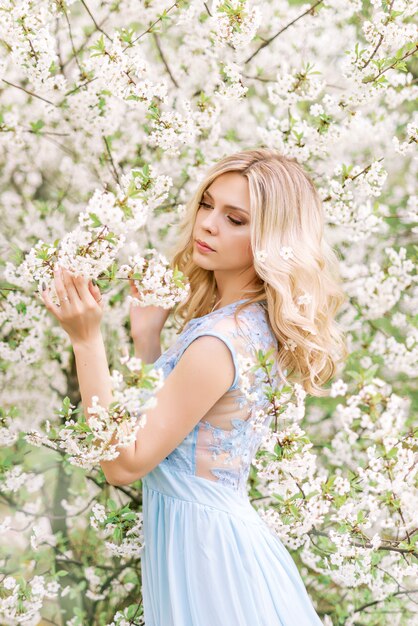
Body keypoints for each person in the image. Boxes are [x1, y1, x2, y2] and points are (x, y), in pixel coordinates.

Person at [41, 148, 347, 625]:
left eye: (236, 218)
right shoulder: (245, 323)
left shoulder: (219, 341)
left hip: (210, 560)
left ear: (271, 237)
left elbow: (126, 463)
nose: (207, 224)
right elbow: (173, 435)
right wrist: (147, 337)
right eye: (207, 205)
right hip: (207, 543)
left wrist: (86, 340)